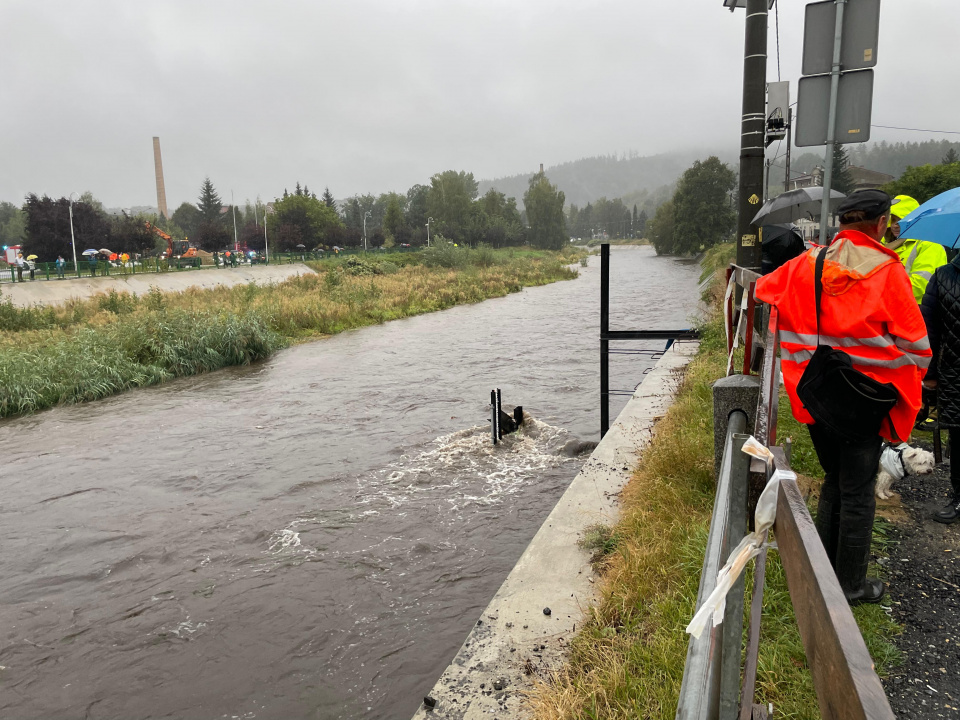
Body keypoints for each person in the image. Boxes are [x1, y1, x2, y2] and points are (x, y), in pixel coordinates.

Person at [756, 189, 930, 605]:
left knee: (835, 481)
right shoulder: (888, 272)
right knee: (857, 492)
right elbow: (918, 349)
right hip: (862, 405)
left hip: (814, 398)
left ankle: (824, 572)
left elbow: (762, 291)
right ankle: (850, 585)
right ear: (881, 223)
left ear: (841, 223)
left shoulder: (805, 264)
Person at [920, 251, 960, 523]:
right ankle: (958, 497)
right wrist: (930, 374)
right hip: (955, 373)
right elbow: (929, 330)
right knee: (959, 438)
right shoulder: (944, 276)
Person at [884, 194, 948, 303]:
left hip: (917, 310)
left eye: (902, 219)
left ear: (914, 220)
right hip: (891, 309)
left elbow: (921, 285)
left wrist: (879, 292)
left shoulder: (929, 245)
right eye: (893, 220)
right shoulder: (883, 245)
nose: (895, 225)